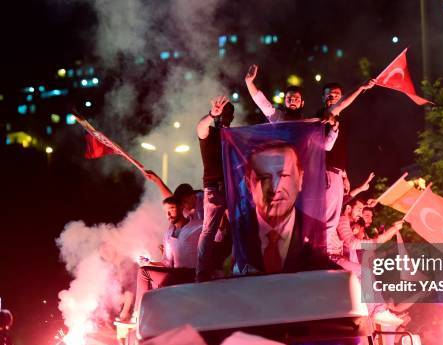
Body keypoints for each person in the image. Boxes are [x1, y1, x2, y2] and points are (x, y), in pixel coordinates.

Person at [239, 141, 336, 274]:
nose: (275, 188)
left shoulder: (316, 230)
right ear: (248, 183)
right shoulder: (235, 231)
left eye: (284, 176)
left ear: (300, 179)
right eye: (263, 178)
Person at [315, 82, 375, 255]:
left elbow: (339, 153)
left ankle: (326, 252)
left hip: (336, 174)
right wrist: (360, 88)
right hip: (324, 173)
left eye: (336, 94)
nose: (333, 97)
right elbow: (326, 149)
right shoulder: (324, 116)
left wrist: (344, 174)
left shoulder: (339, 120)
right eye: (329, 94)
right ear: (323, 98)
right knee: (326, 217)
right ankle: (322, 253)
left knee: (332, 217)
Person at [135, 196, 201, 313]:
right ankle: (146, 314)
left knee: (144, 272)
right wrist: (150, 263)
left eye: (171, 209)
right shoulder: (168, 233)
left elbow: (217, 236)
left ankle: (139, 314)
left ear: (181, 207)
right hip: (175, 274)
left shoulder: (198, 226)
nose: (168, 214)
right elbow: (167, 262)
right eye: (165, 212)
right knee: (144, 270)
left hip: (190, 274)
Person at [195, 96, 234, 281]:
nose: (224, 117)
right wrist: (211, 114)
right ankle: (202, 272)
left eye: (228, 114)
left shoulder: (235, 136)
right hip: (213, 187)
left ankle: (236, 267)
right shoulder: (209, 132)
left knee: (239, 228)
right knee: (209, 231)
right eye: (222, 113)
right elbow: (200, 128)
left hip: (232, 188)